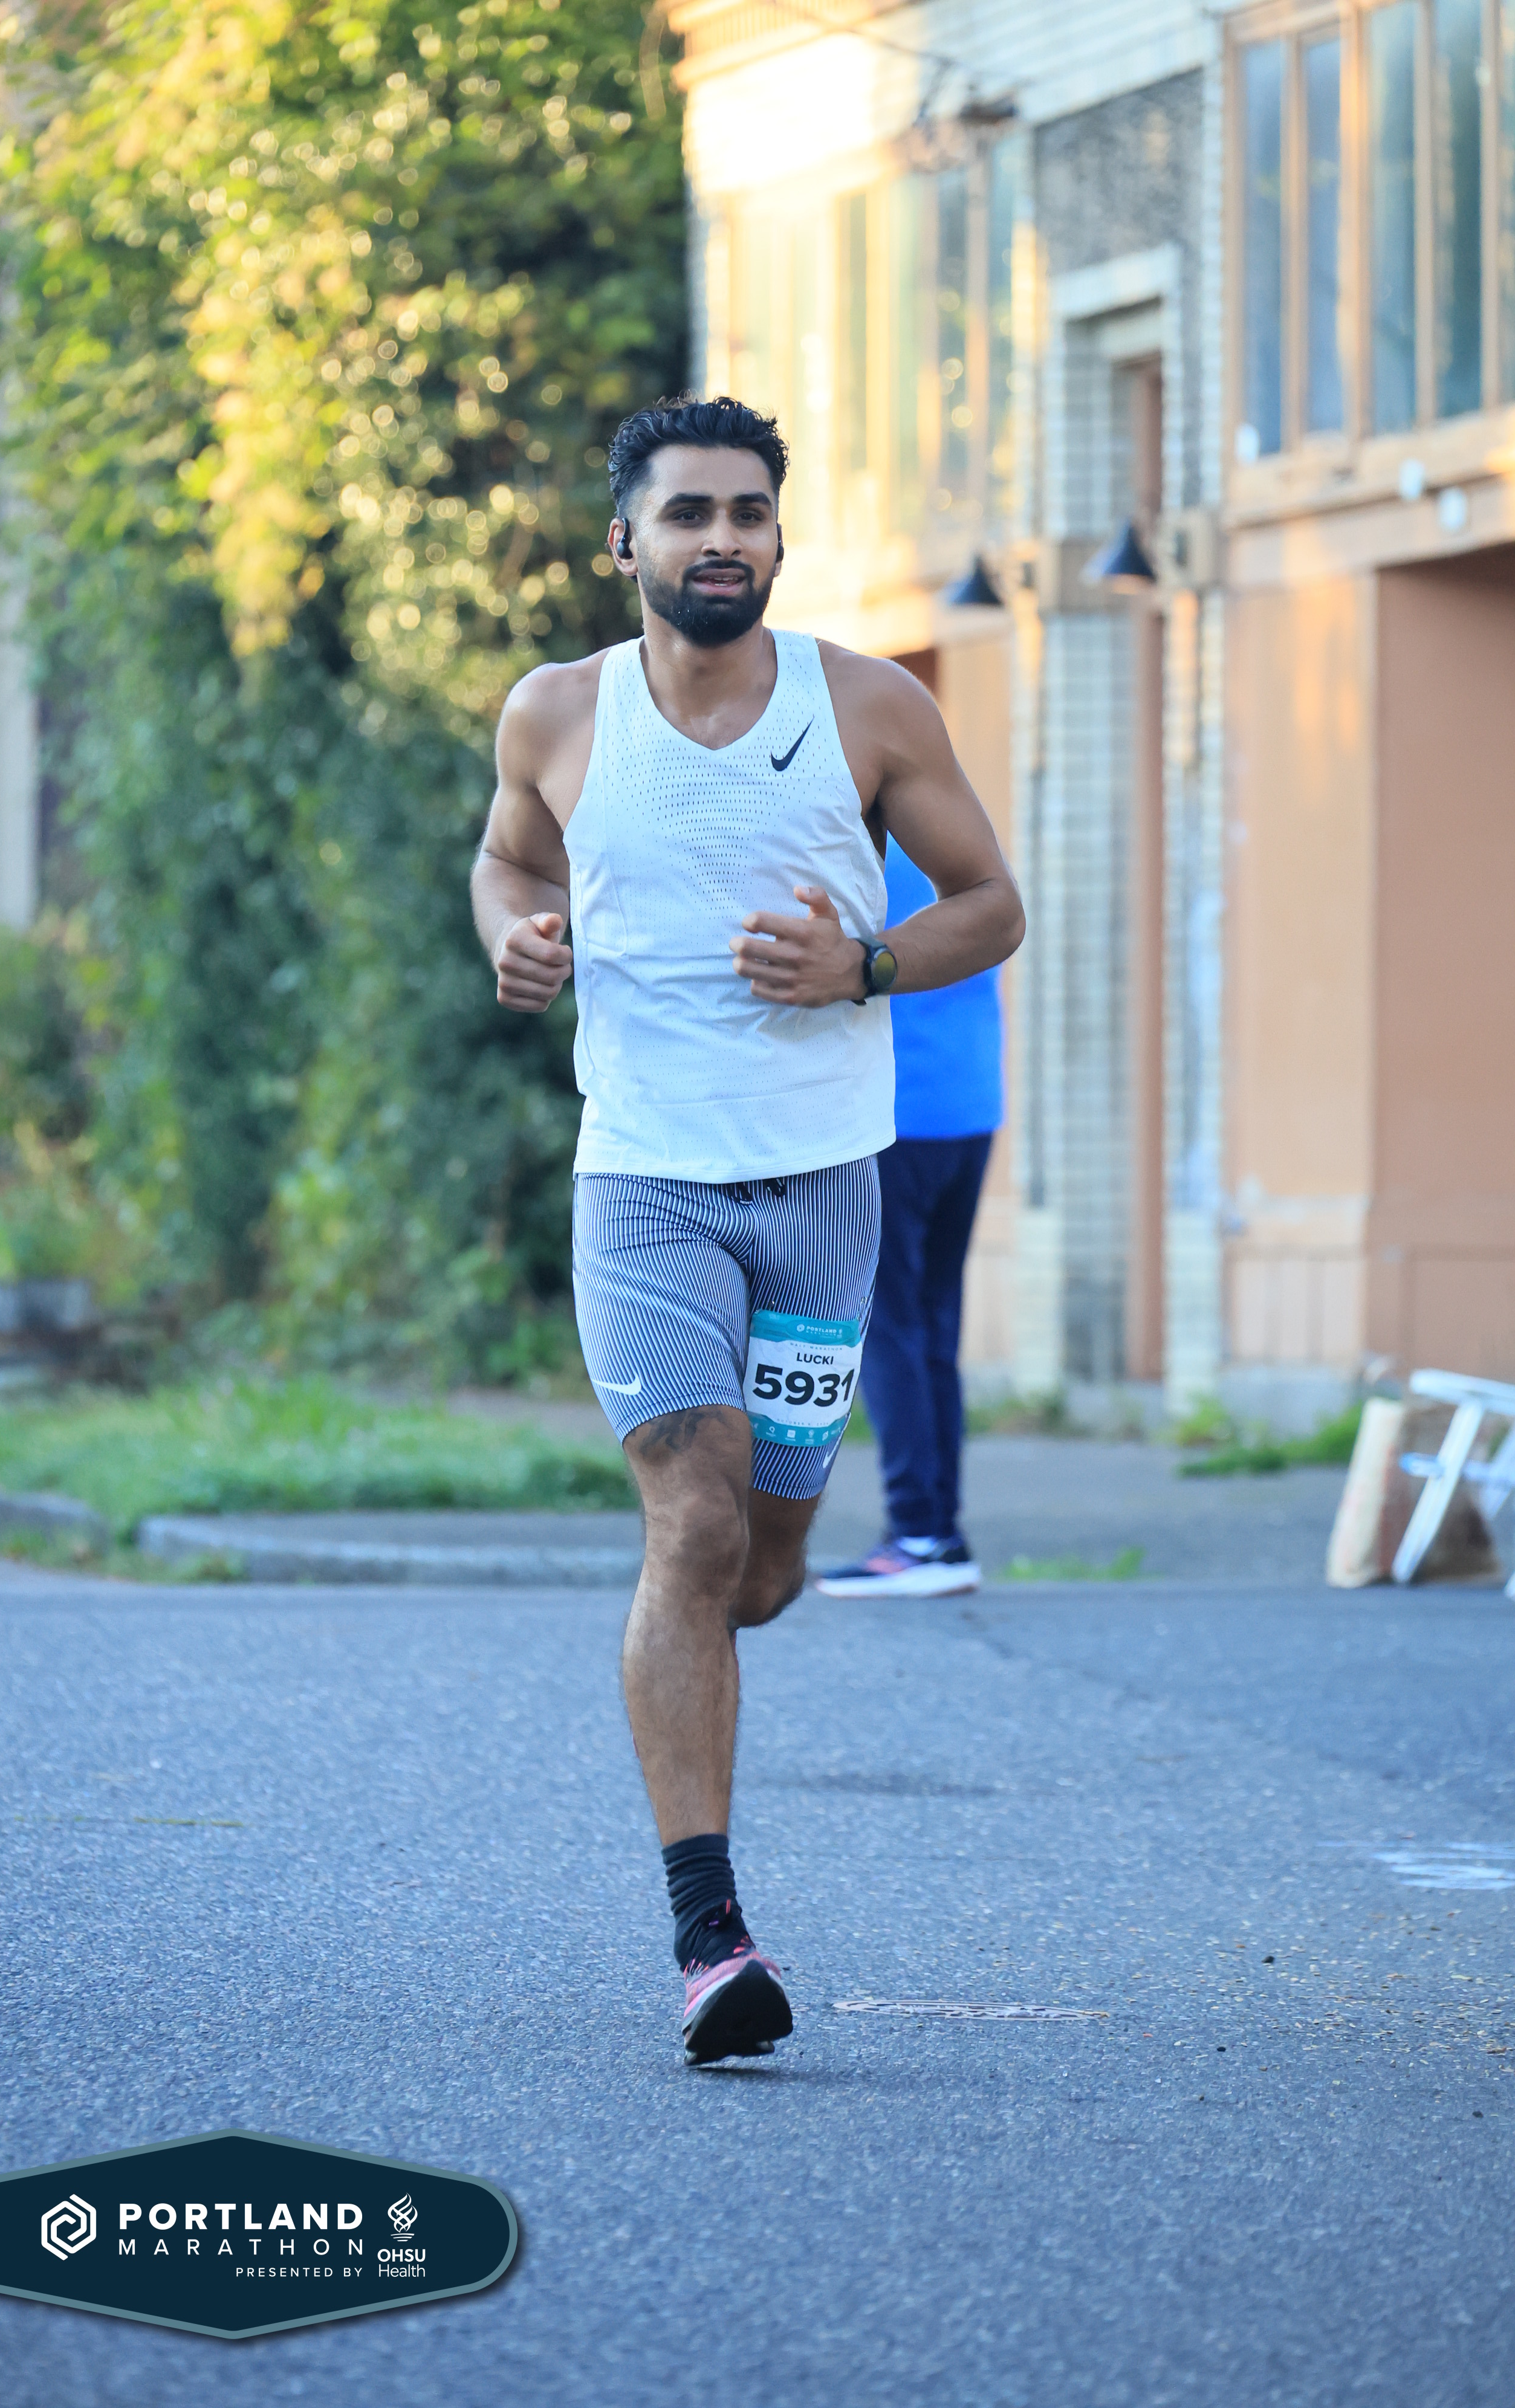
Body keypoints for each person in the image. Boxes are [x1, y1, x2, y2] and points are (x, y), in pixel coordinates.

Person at [470, 395, 1023, 2067]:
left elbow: (991, 904)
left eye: (749, 513)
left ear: (780, 538)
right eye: (690, 513)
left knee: (763, 1571)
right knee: (691, 1522)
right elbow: (508, 865)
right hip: (642, 1183)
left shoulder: (868, 706)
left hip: (824, 1191)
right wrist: (519, 936)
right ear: (623, 542)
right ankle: (711, 1939)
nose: (723, 538)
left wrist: (863, 966)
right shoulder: (557, 712)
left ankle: (744, 1603)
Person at [815, 832, 1003, 1598]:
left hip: (895, 1114)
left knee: (888, 1327)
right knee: (931, 1327)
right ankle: (939, 1535)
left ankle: (920, 1535)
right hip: (970, 1106)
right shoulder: (957, 841)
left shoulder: (841, 840)